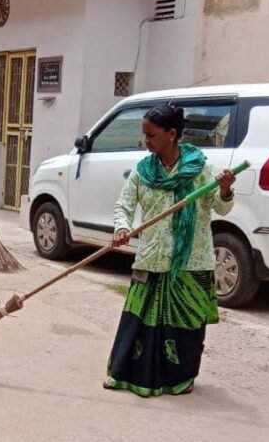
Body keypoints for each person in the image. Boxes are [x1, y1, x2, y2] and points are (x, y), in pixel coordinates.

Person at [105, 104, 236, 397]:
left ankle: (180, 378)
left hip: (191, 261)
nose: (145, 142)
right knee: (138, 322)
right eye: (144, 135)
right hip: (151, 257)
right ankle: (126, 375)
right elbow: (123, 205)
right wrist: (122, 228)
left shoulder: (200, 170)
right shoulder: (143, 171)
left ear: (172, 134)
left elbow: (220, 207)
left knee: (185, 327)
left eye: (151, 135)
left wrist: (225, 189)